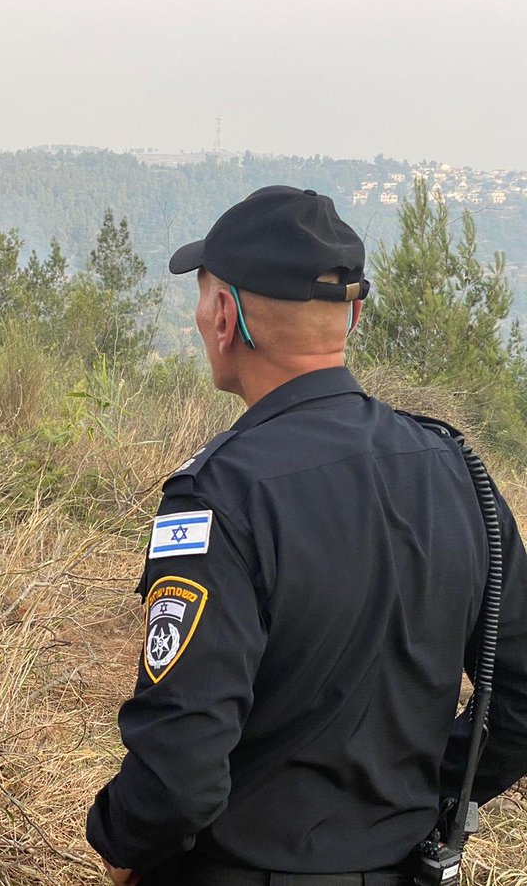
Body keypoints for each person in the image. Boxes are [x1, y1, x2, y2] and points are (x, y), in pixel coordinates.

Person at [85, 186, 527, 885]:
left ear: (225, 315)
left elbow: (180, 768)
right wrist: (423, 792)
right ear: (350, 315)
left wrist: (123, 839)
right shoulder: (458, 473)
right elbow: (520, 694)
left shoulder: (219, 495)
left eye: (204, 300)